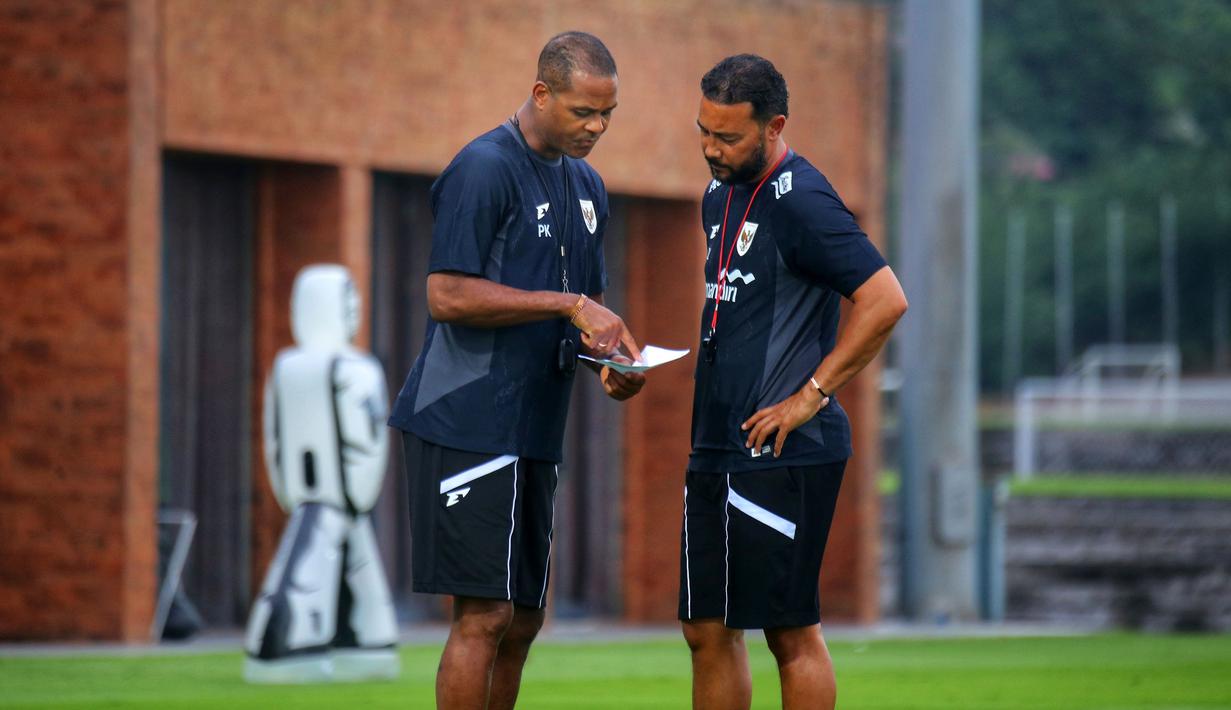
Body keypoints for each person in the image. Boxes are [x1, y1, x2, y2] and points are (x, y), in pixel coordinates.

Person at [387, 31, 644, 710]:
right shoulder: (483, 167)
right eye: (583, 111)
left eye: (607, 115)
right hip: (466, 419)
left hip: (532, 428)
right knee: (484, 616)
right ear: (541, 93)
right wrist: (570, 304)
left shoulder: (586, 185)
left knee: (524, 620)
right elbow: (446, 294)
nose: (596, 128)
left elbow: (580, 317)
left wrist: (611, 365)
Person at [680, 55, 908, 710]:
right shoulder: (716, 195)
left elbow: (884, 300)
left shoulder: (803, 200)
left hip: (783, 452)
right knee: (705, 628)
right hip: (716, 444)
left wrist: (811, 395)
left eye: (727, 137)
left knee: (787, 630)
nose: (710, 149)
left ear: (774, 126)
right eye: (703, 131)